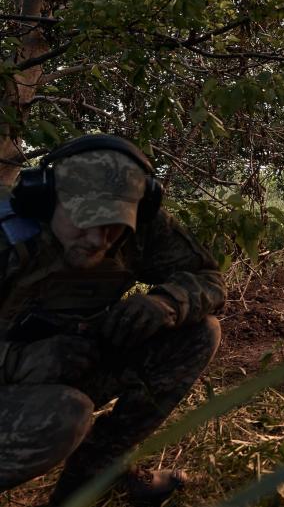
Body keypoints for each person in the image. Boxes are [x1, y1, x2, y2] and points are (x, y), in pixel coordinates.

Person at [0, 135, 224, 505]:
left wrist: (166, 301)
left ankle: (92, 479)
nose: (97, 239)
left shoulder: (142, 231)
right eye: (83, 220)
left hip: (71, 359)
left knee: (198, 333)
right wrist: (18, 361)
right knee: (66, 413)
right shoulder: (8, 237)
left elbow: (209, 279)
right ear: (47, 198)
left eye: (112, 225)